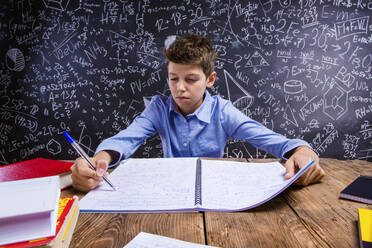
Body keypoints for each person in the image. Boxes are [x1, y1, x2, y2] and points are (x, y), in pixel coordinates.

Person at [71, 34, 325, 192]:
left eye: (191, 79)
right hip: (170, 193)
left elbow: (270, 139)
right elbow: (127, 138)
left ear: (210, 79)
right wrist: (101, 158)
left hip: (216, 194)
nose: (180, 88)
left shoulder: (223, 112)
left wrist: (303, 150)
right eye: (173, 78)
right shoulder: (159, 108)